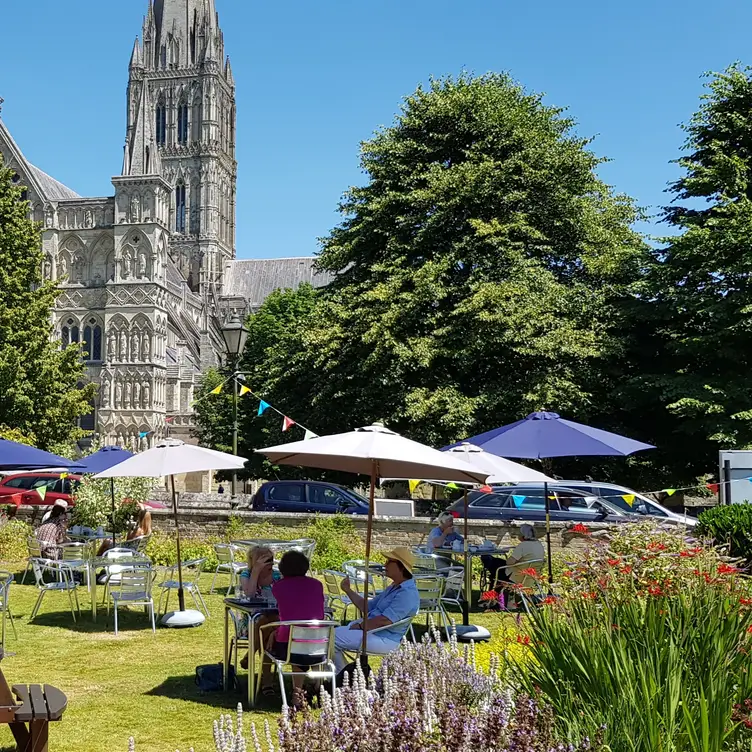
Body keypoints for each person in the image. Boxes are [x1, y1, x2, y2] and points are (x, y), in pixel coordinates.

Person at [334, 547, 420, 673]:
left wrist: (361, 626)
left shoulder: (407, 593)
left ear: (401, 567)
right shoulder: (394, 587)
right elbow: (367, 607)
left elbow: (385, 620)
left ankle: (342, 678)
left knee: (331, 639)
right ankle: (345, 676)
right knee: (328, 636)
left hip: (384, 638)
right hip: (373, 632)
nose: (385, 565)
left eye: (389, 561)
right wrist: (348, 589)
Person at [259, 550, 324, 705]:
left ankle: (293, 692)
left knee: (269, 641)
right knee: (302, 643)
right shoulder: (317, 585)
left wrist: (274, 632)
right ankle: (316, 684)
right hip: (320, 643)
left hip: (289, 643)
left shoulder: (279, 587)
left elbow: (286, 611)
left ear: (282, 568)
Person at [238, 546, 281, 670]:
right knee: (265, 630)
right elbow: (250, 595)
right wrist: (256, 572)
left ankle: (249, 655)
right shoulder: (247, 574)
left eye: (271, 559)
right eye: (266, 560)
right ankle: (266, 684)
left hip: (274, 617)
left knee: (267, 627)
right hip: (251, 620)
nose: (270, 563)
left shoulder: (277, 575)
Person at [481, 524, 545, 590]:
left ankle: (494, 593)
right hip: (530, 577)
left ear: (523, 535)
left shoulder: (523, 545)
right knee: (496, 563)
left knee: (489, 561)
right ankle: (497, 591)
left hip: (516, 576)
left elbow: (509, 562)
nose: (517, 535)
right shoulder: (539, 545)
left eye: (519, 533)